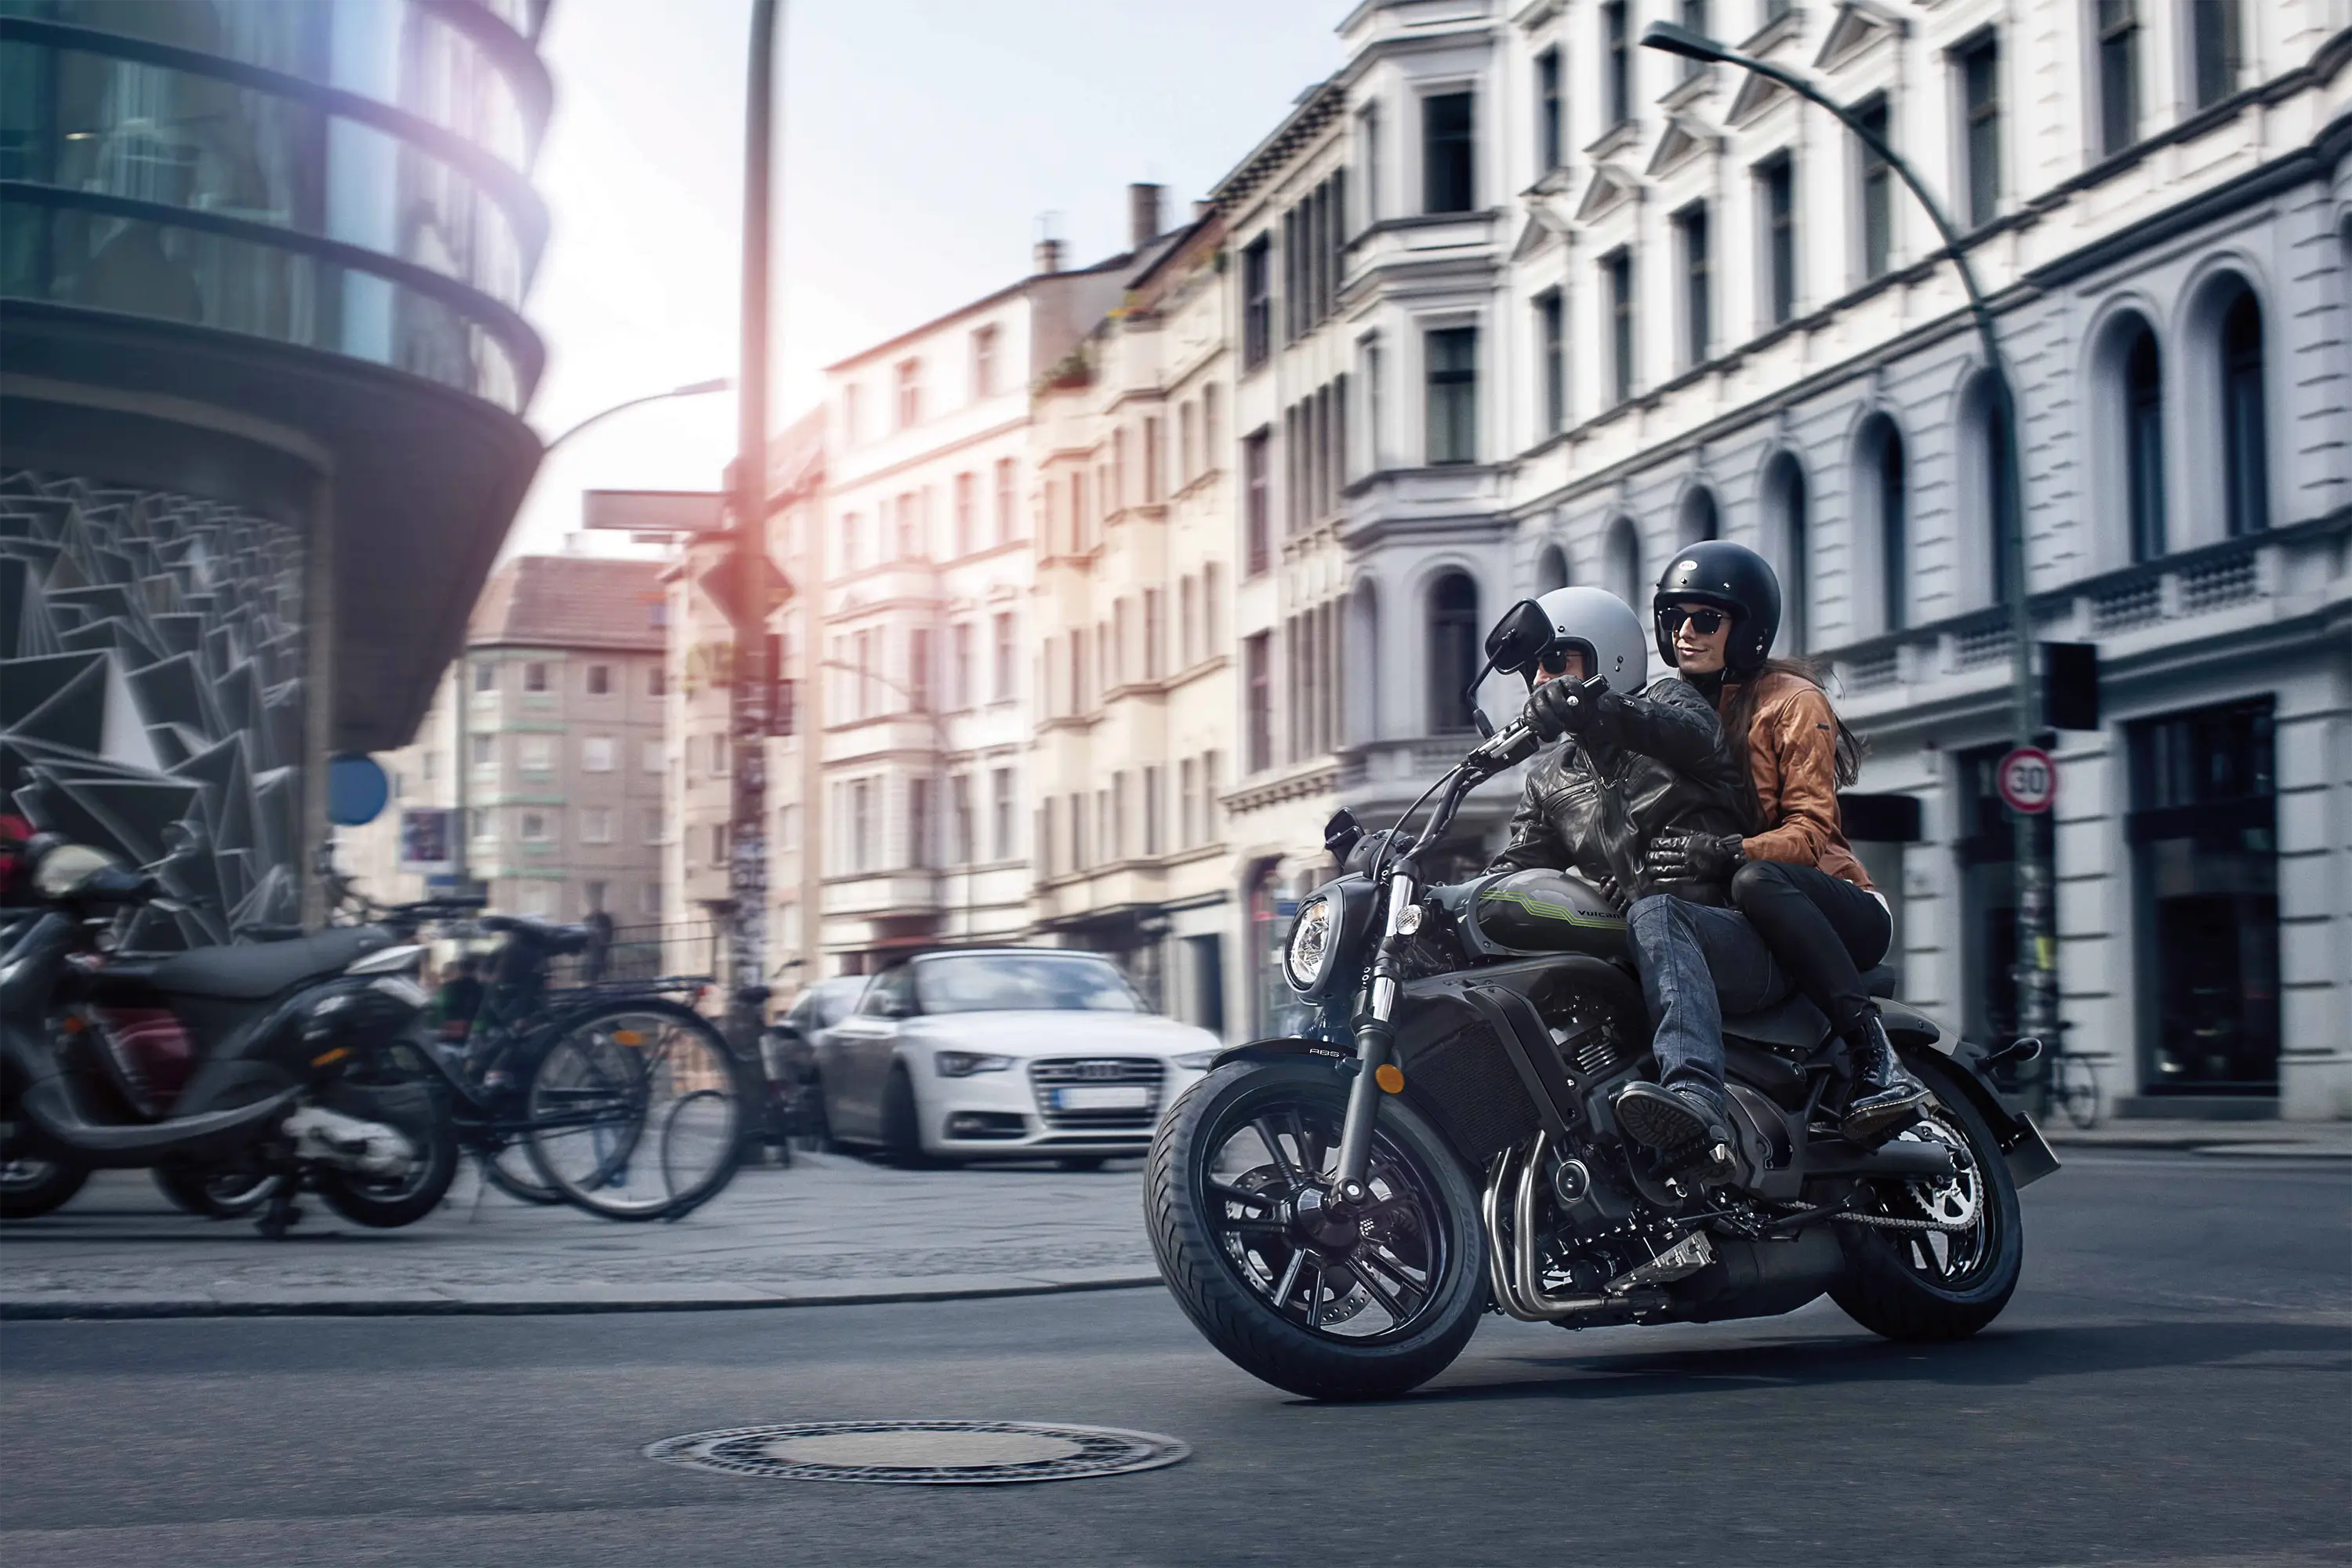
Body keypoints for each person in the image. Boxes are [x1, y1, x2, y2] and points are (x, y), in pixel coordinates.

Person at [1639, 542, 1928, 1142]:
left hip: (1840, 907)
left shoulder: (1794, 702)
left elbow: (1810, 833)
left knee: (1755, 877)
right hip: (1752, 918)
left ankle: (1878, 1056)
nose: (1685, 633)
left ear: (1748, 629)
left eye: (1706, 620)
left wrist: (1730, 852)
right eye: (1674, 619)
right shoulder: (1679, 710)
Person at [1489, 586, 1759, 1162]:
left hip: (1731, 935)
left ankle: (1696, 1095)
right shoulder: (1549, 778)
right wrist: (1420, 887)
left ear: (1607, 657)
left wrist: (1596, 708)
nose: (1541, 679)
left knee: (1655, 912)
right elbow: (1511, 873)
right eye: (1536, 668)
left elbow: (1674, 730)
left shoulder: (1676, 706)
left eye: (1557, 661)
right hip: (1642, 959)